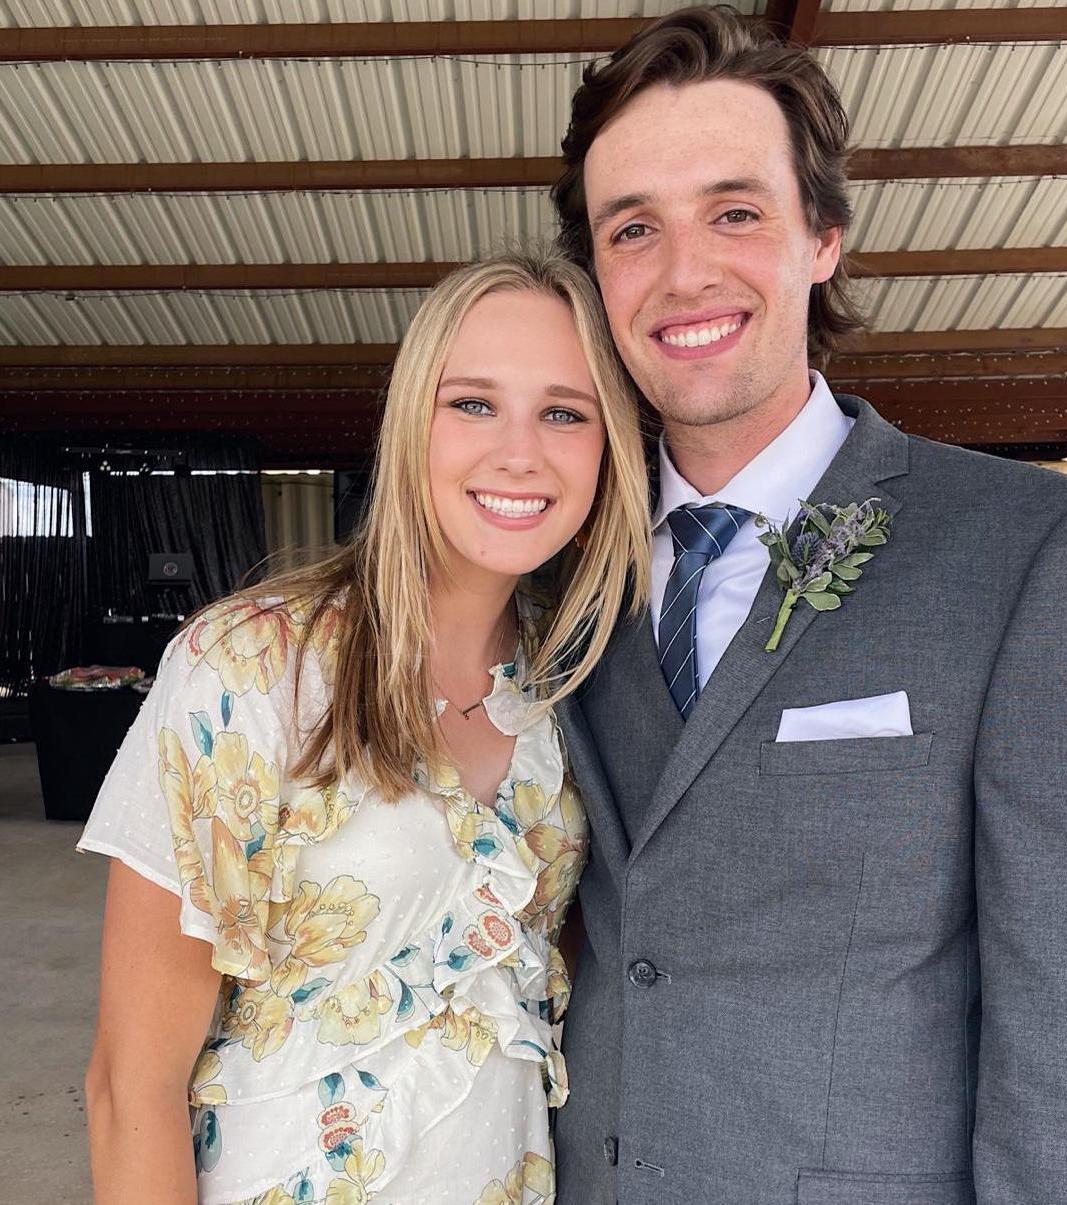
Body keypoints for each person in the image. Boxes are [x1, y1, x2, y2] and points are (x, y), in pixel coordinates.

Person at [548, 8, 1067, 1204]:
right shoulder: (557, 570)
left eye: (735, 211)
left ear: (823, 238)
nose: (684, 270)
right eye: (633, 229)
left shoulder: (1039, 556)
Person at [78, 250, 651, 1204]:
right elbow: (127, 1086)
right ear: (409, 423)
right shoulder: (250, 668)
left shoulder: (574, 682)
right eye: (473, 403)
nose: (520, 451)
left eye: (564, 411)